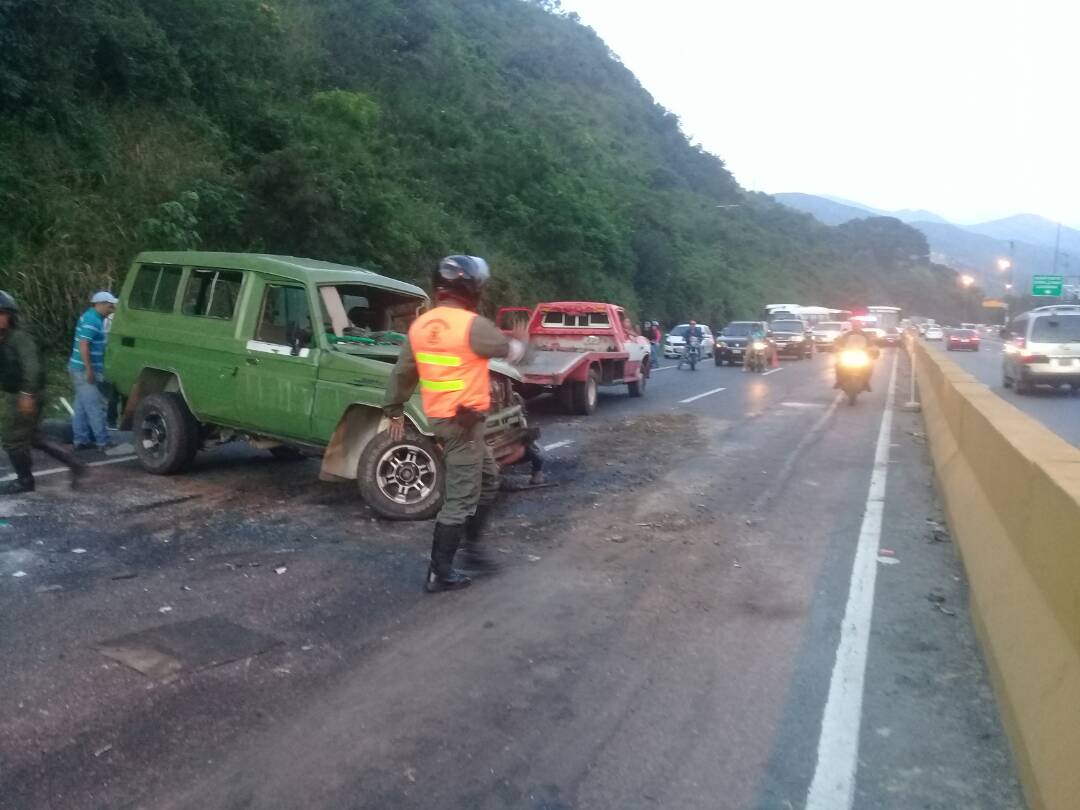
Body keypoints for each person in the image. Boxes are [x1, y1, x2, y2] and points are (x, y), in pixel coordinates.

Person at [383, 255, 527, 593]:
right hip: (462, 426)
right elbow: (507, 349)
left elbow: (403, 372)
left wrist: (393, 408)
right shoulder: (471, 325)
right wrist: (521, 343)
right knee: (460, 499)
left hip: (448, 422)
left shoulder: (420, 326)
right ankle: (440, 572)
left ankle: (471, 549)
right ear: (472, 288)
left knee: (489, 480)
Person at [0, 291, 85, 494]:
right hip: (18, 394)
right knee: (34, 438)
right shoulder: (4, 339)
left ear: (10, 316)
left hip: (27, 394)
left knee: (13, 439)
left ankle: (25, 481)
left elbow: (33, 368)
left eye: (1, 313)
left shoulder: (20, 338)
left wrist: (27, 394)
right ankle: (77, 466)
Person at [68, 291, 117, 451]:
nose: (112, 309)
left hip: (79, 368)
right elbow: (84, 344)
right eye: (109, 306)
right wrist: (89, 369)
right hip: (84, 370)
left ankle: (81, 440)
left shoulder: (93, 318)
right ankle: (103, 442)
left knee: (82, 407)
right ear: (99, 304)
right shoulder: (92, 320)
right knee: (95, 407)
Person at [833, 321, 877, 392]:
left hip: (862, 354)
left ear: (860, 326)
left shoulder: (865, 335)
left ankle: (866, 382)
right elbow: (840, 342)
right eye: (854, 326)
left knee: (870, 366)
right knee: (838, 364)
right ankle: (839, 381)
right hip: (848, 354)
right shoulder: (847, 335)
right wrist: (837, 347)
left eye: (858, 326)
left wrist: (873, 348)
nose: (856, 327)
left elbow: (872, 344)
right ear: (852, 327)